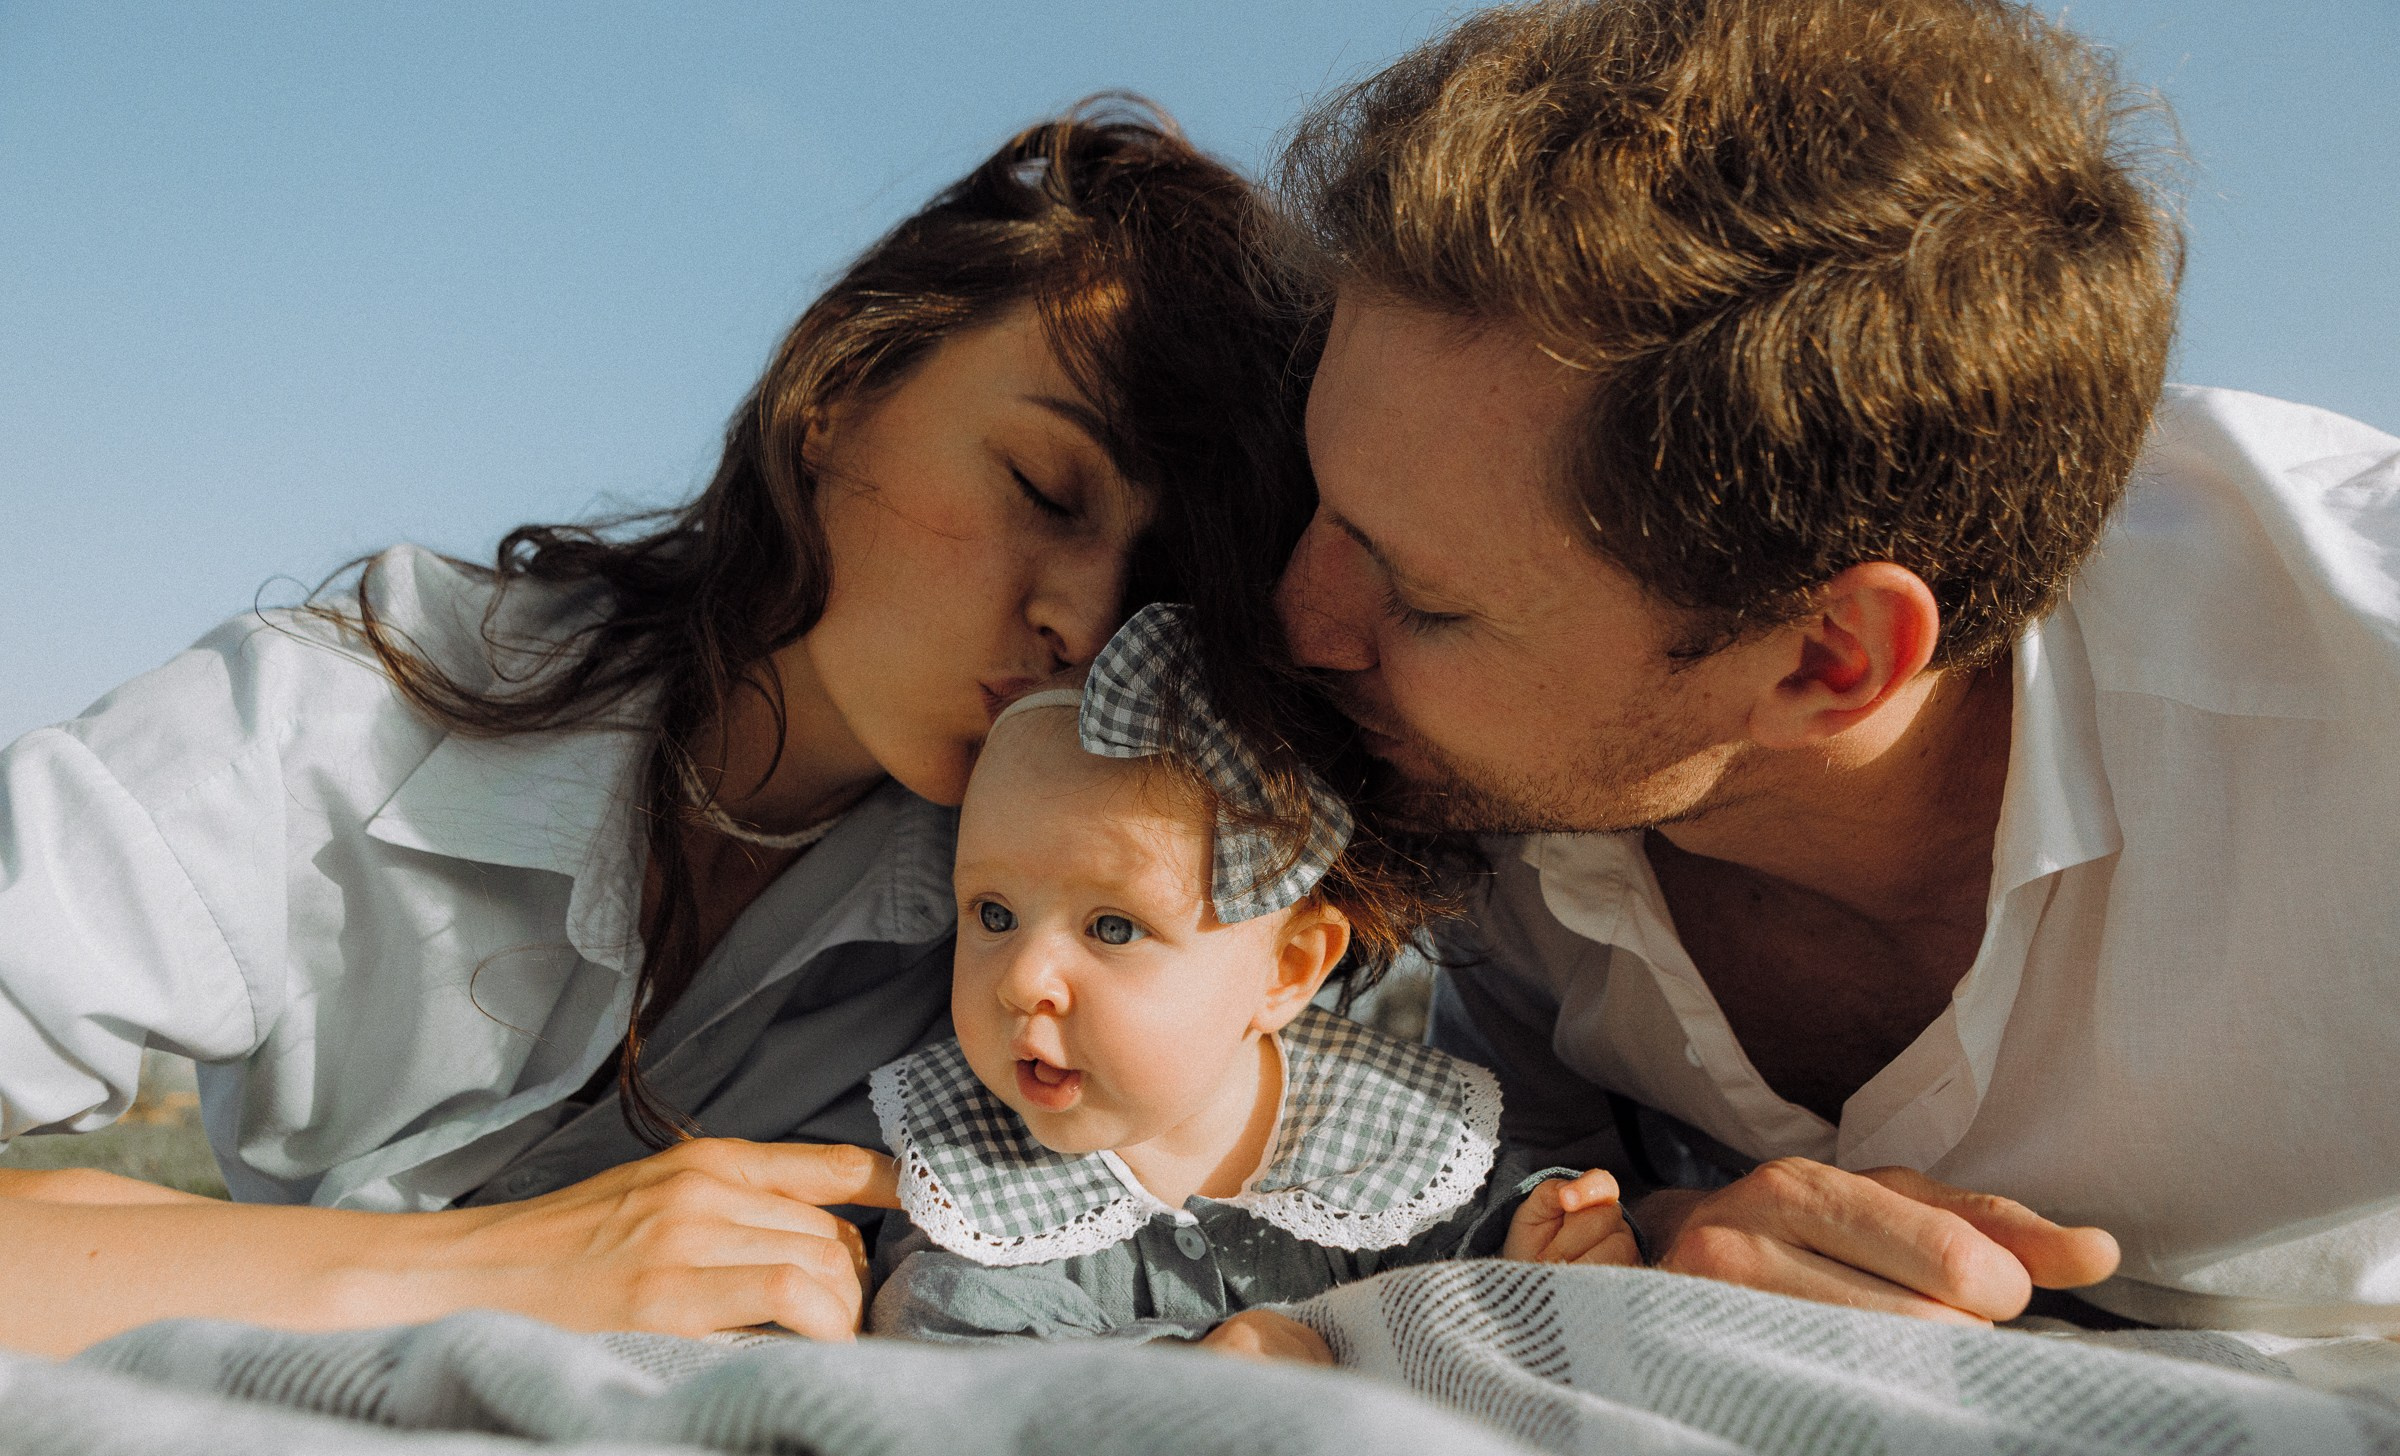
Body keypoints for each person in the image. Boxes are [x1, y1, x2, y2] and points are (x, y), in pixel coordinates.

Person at [0, 105, 1319, 1358]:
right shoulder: (335, 724)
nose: (1083, 622)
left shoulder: (1068, 923)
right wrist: (476, 1273)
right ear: (842, 386)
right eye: (1044, 487)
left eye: (1152, 588)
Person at [1269, 0, 2400, 1332]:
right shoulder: (1444, 781)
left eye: (1423, 598)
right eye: (1319, 504)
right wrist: (1653, 1227)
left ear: (1828, 661)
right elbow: (1479, 1180)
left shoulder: (2359, 693)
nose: (1299, 622)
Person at [867, 605, 1636, 1358]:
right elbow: (944, 1323)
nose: (1022, 978)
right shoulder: (972, 1165)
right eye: (994, 913)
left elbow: (1484, 1234)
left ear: (1286, 970)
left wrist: (1545, 1239)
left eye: (1113, 928)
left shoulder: (1379, 1128)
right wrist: (1182, 1362)